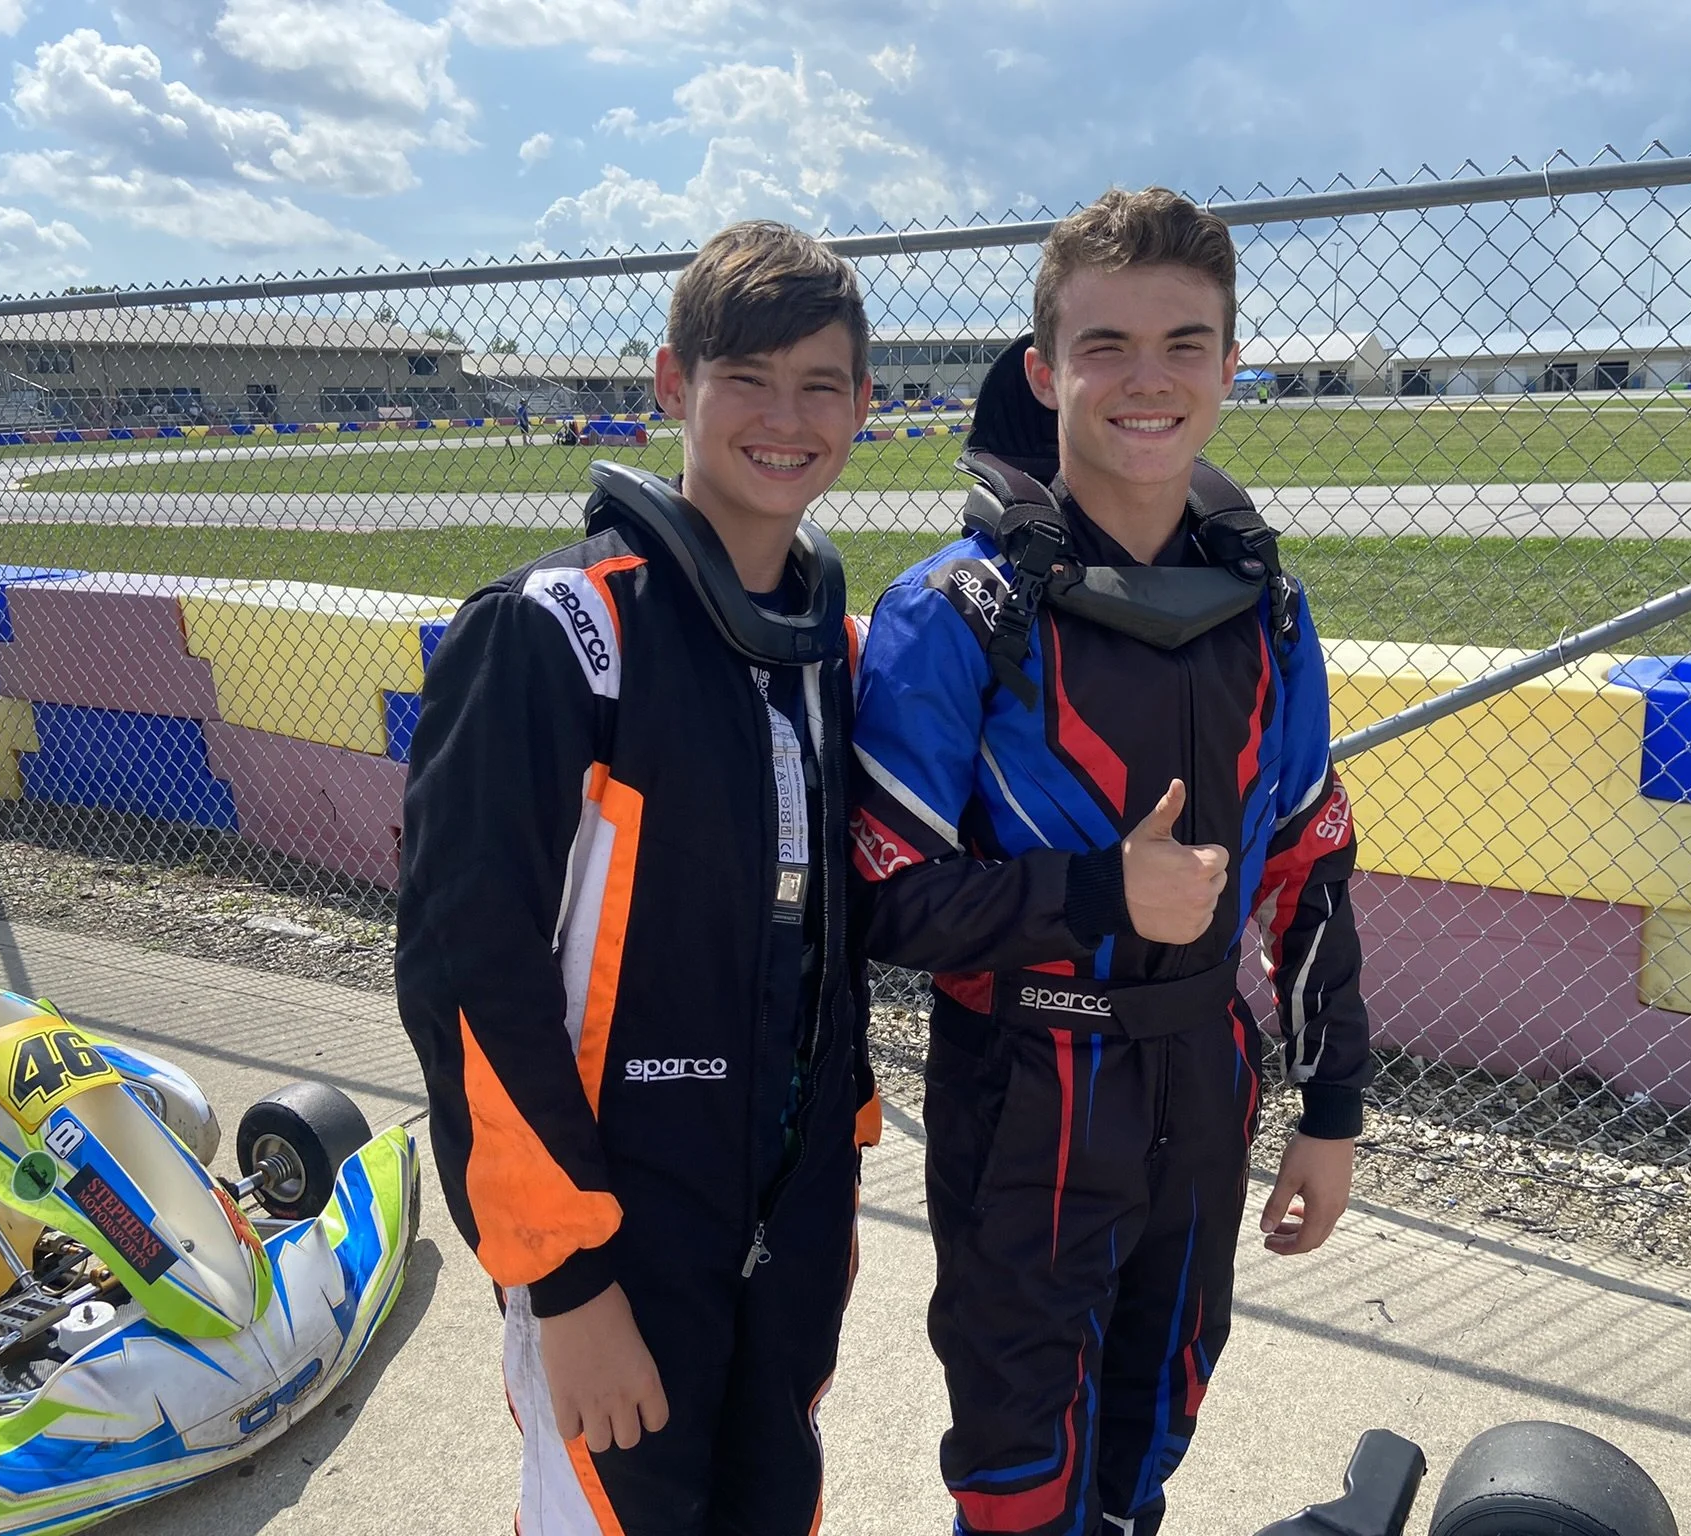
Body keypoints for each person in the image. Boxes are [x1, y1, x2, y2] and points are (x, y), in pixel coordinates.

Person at [851, 187, 1372, 1536]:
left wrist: (1331, 1112)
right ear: (1045, 372)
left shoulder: (1273, 608)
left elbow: (1311, 872)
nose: (1150, 380)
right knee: (1020, 1467)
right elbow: (882, 901)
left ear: (1230, 366)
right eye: (1108, 346)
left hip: (1206, 1078)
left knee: (1154, 1428)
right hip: (1028, 1086)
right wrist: (1097, 893)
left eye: (1185, 344)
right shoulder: (951, 612)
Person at [397, 220, 880, 1536]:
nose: (786, 419)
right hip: (615, 1231)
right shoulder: (560, 631)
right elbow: (462, 966)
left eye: (820, 385)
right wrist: (563, 1280)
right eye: (748, 379)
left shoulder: (834, 650)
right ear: (673, 384)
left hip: (790, 1212)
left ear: (863, 405)